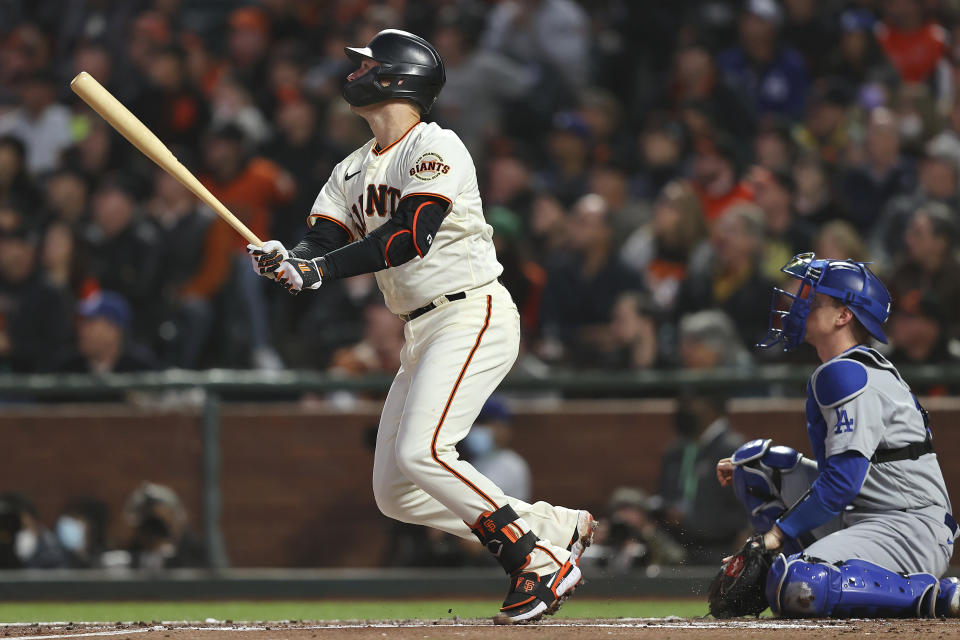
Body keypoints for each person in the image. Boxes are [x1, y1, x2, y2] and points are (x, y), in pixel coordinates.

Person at [247, 30, 595, 624]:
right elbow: (324, 237)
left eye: (367, 64)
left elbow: (410, 236)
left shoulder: (437, 146)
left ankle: (534, 560)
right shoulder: (352, 167)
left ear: (396, 77)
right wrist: (293, 259)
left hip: (471, 311)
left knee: (424, 450)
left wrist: (319, 269)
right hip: (420, 328)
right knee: (396, 491)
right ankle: (549, 526)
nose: (356, 70)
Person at [716, 252, 958, 618]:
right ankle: (781, 573)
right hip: (865, 514)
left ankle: (936, 596)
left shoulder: (847, 373)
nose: (798, 304)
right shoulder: (844, 369)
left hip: (909, 526)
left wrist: (776, 535)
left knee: (801, 586)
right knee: (757, 466)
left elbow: (843, 482)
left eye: (813, 298)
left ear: (844, 316)